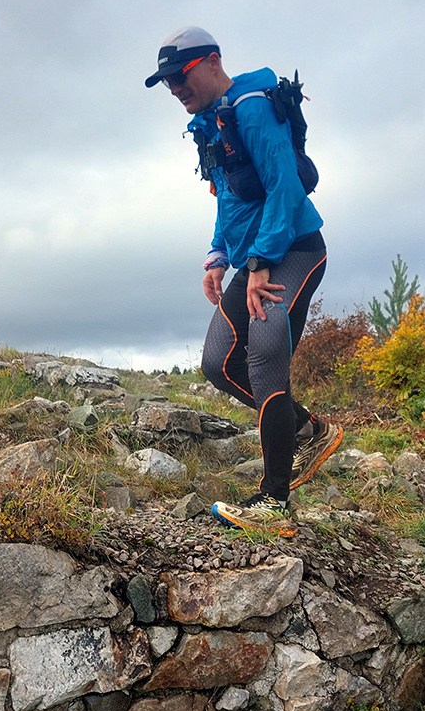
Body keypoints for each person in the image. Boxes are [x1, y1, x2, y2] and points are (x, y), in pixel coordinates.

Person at [145, 27, 343, 536]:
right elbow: (230, 197)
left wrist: (258, 265)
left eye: (181, 76)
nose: (175, 88)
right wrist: (218, 255)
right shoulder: (211, 122)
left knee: (265, 352)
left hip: (294, 249)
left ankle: (274, 504)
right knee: (218, 362)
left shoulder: (251, 108)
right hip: (256, 256)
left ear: (213, 62)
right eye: (167, 82)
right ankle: (309, 430)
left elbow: (285, 187)